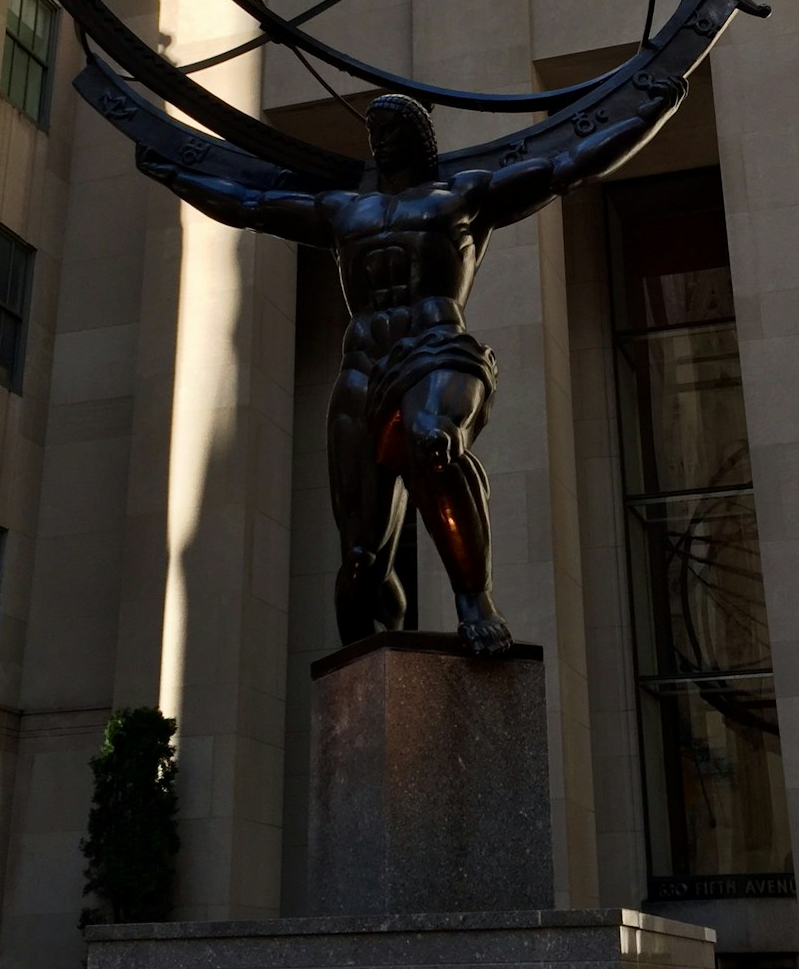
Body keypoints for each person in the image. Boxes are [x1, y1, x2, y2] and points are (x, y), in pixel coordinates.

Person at [138, 81, 684, 653]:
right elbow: (250, 207)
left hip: (437, 351)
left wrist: (652, 111)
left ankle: (476, 603)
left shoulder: (462, 197)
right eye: (375, 132)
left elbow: (565, 168)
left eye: (393, 130)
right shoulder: (343, 210)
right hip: (362, 372)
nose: (380, 141)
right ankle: (370, 672)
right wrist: (173, 174)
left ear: (420, 139)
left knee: (432, 438)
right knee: (360, 563)